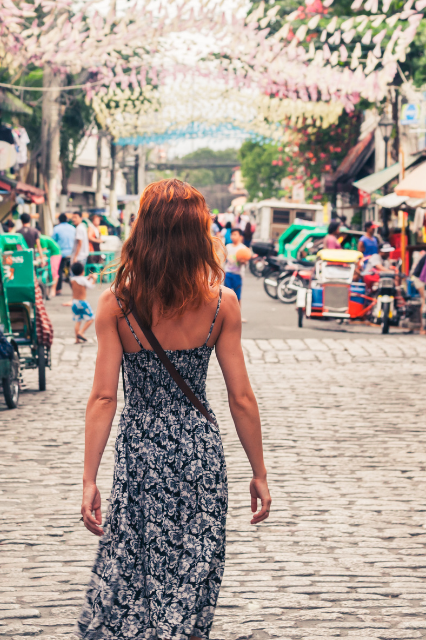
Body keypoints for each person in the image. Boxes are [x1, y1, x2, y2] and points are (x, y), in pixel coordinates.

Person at [78, 179, 271, 640]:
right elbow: (240, 396)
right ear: (198, 234)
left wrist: (89, 478)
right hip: (199, 454)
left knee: (135, 574)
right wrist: (259, 471)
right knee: (193, 571)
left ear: (142, 232)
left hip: (141, 453)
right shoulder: (221, 302)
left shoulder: (116, 304)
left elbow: (105, 397)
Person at [66, 262, 96, 343]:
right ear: (82, 271)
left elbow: (80, 280)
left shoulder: (72, 279)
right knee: (91, 318)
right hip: (82, 302)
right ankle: (81, 332)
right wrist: (94, 279)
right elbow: (90, 286)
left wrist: (88, 278)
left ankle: (77, 339)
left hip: (74, 302)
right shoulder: (82, 279)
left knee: (78, 320)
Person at [223, 228, 247, 323]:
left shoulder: (243, 248)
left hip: (238, 275)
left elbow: (245, 262)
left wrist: (241, 261)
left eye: (235, 234)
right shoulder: (228, 247)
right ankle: (224, 316)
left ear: (240, 236)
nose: (233, 236)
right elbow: (224, 259)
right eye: (232, 234)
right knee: (225, 296)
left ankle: (237, 316)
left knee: (237, 297)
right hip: (228, 273)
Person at [52, 213, 77, 294]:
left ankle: (58, 289)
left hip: (60, 253)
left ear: (59, 220)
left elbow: (53, 242)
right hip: (71, 253)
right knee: (72, 272)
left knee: (59, 271)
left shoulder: (56, 228)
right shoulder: (73, 228)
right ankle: (75, 289)